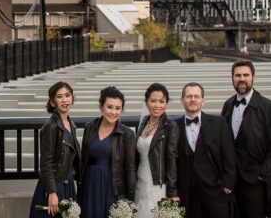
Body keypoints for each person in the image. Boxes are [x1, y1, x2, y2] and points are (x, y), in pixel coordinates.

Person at [222, 60, 271, 218]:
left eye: (246, 75)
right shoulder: (228, 105)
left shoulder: (269, 107)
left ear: (253, 78)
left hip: (256, 182)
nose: (242, 79)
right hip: (233, 181)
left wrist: (262, 174)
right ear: (232, 78)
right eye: (238, 75)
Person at [173, 82, 236, 218]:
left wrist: (227, 186)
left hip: (216, 193)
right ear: (182, 100)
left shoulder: (219, 123)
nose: (193, 99)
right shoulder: (173, 126)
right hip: (186, 195)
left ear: (203, 101)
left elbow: (229, 157)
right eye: (189, 96)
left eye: (197, 96)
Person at [79, 86, 137, 218]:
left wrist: (130, 200)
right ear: (101, 107)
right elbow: (83, 160)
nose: (113, 112)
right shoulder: (90, 127)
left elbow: (130, 168)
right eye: (110, 107)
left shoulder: (127, 134)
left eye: (118, 108)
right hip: (90, 185)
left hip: (113, 187)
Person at [31, 81, 81, 217]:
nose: (65, 100)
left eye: (67, 95)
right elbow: (45, 163)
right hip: (55, 185)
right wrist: (52, 193)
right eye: (59, 97)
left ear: (72, 99)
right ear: (53, 103)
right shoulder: (51, 127)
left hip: (67, 182)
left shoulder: (70, 124)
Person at [135, 83, 179, 218]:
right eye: (153, 101)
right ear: (147, 102)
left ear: (166, 103)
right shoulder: (143, 123)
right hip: (140, 181)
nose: (157, 105)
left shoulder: (171, 126)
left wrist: (172, 192)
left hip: (158, 183)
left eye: (161, 101)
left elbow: (171, 159)